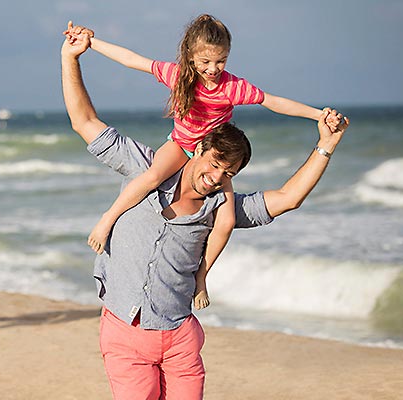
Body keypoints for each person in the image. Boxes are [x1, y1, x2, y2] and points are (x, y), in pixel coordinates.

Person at [62, 28, 348, 399]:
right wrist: (74, 57)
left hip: (180, 339)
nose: (216, 179)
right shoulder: (145, 168)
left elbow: (287, 198)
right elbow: (85, 122)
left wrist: (324, 144)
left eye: (227, 174)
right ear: (200, 148)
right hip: (124, 333)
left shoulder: (219, 205)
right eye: (214, 165)